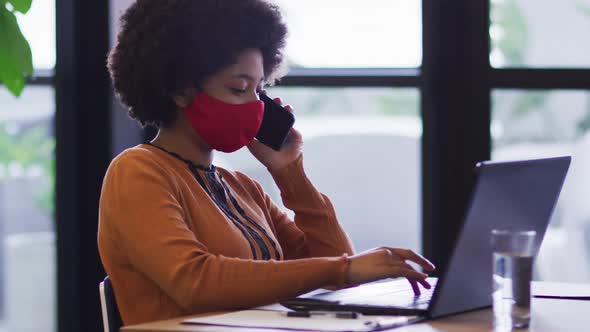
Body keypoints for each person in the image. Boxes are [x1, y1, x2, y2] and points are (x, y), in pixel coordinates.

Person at [98, 0, 435, 326]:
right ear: (179, 90)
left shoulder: (242, 187)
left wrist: (291, 173)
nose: (255, 106)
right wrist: (344, 268)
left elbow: (335, 270)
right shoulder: (138, 171)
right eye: (239, 88)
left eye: (259, 90)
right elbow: (195, 282)